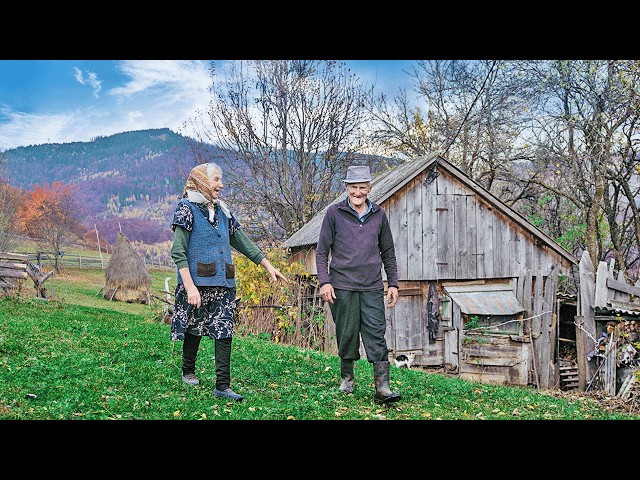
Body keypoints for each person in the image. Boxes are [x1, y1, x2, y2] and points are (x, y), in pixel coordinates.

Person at [170, 162, 287, 402]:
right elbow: (178, 252)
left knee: (224, 332)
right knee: (195, 328)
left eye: (220, 180)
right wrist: (190, 287)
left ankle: (223, 385)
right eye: (215, 180)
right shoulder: (186, 209)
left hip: (224, 283)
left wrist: (267, 265)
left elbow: (242, 241)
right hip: (197, 283)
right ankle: (188, 369)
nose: (220, 185)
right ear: (202, 181)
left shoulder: (223, 211)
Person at [316, 165, 401, 404]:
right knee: (347, 333)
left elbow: (389, 252)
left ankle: (382, 388)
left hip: (372, 286)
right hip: (342, 285)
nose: (358, 192)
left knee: (376, 334)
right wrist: (325, 282)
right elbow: (322, 252)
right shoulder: (334, 213)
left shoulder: (379, 215)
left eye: (363, 187)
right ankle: (347, 380)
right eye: (354, 187)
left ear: (369, 188)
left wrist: (392, 283)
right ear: (346, 188)